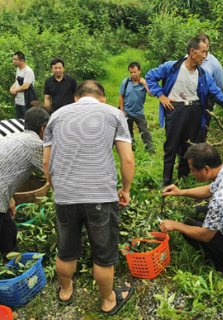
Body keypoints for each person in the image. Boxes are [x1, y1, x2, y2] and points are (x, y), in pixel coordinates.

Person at [43, 80, 135, 314]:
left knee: (66, 249)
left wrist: (57, 189)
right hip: (100, 196)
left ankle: (65, 290)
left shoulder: (56, 116)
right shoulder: (114, 114)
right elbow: (127, 159)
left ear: (76, 98)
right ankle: (107, 301)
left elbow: (47, 162)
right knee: (103, 254)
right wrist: (125, 190)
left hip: (65, 195)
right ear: (103, 98)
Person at [146, 36, 223, 187]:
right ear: (192, 51)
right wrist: (161, 95)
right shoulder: (172, 67)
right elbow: (150, 76)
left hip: (194, 111)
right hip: (175, 110)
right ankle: (166, 181)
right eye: (203, 52)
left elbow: (217, 94)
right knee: (171, 145)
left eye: (206, 52)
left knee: (189, 146)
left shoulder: (203, 75)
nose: (205, 56)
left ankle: (183, 177)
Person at [160, 143, 223, 273]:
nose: (192, 173)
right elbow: (210, 189)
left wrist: (176, 225)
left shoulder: (222, 198)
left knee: (188, 227)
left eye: (193, 170)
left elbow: (204, 236)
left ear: (206, 169)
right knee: (196, 212)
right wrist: (180, 192)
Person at [0, 107, 50, 254]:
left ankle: (9, 263)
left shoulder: (14, 136)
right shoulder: (35, 144)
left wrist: (8, 198)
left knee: (8, 231)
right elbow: (54, 173)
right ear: (42, 128)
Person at [194, 33, 223, 143]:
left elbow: (219, 85)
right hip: (188, 99)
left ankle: (198, 156)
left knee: (201, 131)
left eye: (206, 46)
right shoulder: (185, 60)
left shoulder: (214, 64)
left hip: (206, 101)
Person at [119, 62, 155, 153]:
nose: (133, 74)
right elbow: (121, 96)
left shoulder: (143, 83)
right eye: (131, 72)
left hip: (139, 113)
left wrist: (145, 84)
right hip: (127, 113)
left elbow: (151, 94)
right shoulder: (126, 82)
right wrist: (122, 110)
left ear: (139, 71)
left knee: (145, 133)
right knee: (128, 133)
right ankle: (131, 149)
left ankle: (150, 150)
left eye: (135, 72)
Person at [10, 52, 36, 119]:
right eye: (13, 59)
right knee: (19, 121)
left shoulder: (28, 71)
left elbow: (26, 86)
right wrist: (11, 89)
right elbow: (16, 81)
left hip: (25, 102)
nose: (14, 61)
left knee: (27, 121)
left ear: (22, 60)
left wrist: (15, 90)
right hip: (18, 101)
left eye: (15, 59)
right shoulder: (18, 70)